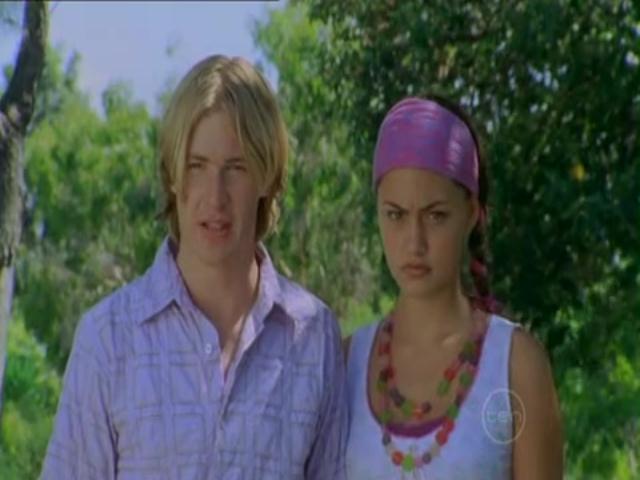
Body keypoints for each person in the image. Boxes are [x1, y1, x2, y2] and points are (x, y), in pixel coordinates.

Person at [40, 55, 347, 480]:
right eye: (196, 166)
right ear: (171, 175)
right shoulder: (107, 339)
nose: (214, 196)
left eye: (236, 168)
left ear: (267, 177)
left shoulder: (313, 336)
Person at [344, 96, 563, 479]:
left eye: (436, 216)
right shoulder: (345, 363)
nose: (414, 242)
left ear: (472, 214)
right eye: (395, 215)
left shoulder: (515, 366)